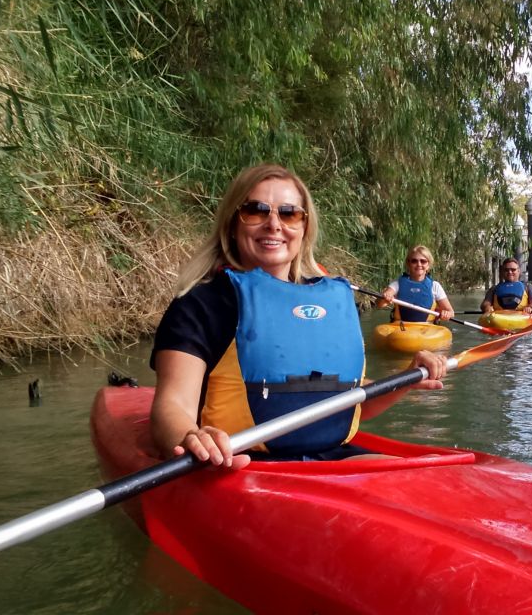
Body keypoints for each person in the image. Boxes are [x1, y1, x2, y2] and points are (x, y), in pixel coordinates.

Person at [149, 164, 449, 469]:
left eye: (289, 213)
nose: (274, 224)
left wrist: (404, 380)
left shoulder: (325, 302)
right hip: (238, 463)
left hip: (330, 455)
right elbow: (173, 404)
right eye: (256, 211)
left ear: (305, 227)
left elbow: (344, 401)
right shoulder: (201, 304)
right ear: (233, 223)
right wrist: (190, 435)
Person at [380, 245, 455, 323]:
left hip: (426, 329)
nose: (419, 264)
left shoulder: (435, 286)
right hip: (401, 328)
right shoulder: (397, 284)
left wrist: (446, 314)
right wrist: (385, 297)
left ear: (428, 264)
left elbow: (451, 312)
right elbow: (379, 304)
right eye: (414, 261)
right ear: (408, 264)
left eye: (423, 261)